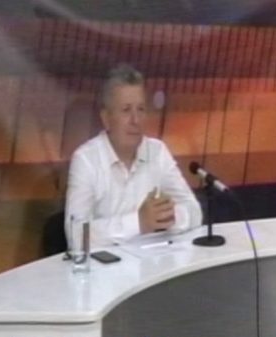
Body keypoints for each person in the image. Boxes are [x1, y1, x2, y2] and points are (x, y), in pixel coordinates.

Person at [65, 64, 202, 247]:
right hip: (107, 265)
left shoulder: (157, 152)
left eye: (141, 109)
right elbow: (76, 235)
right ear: (106, 118)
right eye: (126, 110)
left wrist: (168, 217)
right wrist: (138, 223)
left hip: (153, 261)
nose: (135, 120)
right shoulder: (86, 160)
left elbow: (194, 211)